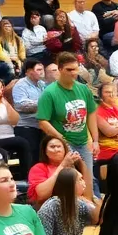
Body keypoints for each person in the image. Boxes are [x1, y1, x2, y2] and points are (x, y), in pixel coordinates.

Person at [36, 52, 100, 188]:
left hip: (83, 141)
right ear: (60, 70)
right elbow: (42, 121)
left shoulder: (84, 89)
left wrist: (95, 140)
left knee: (89, 179)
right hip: (63, 142)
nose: (73, 73)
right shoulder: (49, 93)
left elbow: (91, 115)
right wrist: (60, 138)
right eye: (69, 70)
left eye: (76, 69)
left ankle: (92, 205)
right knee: (69, 179)